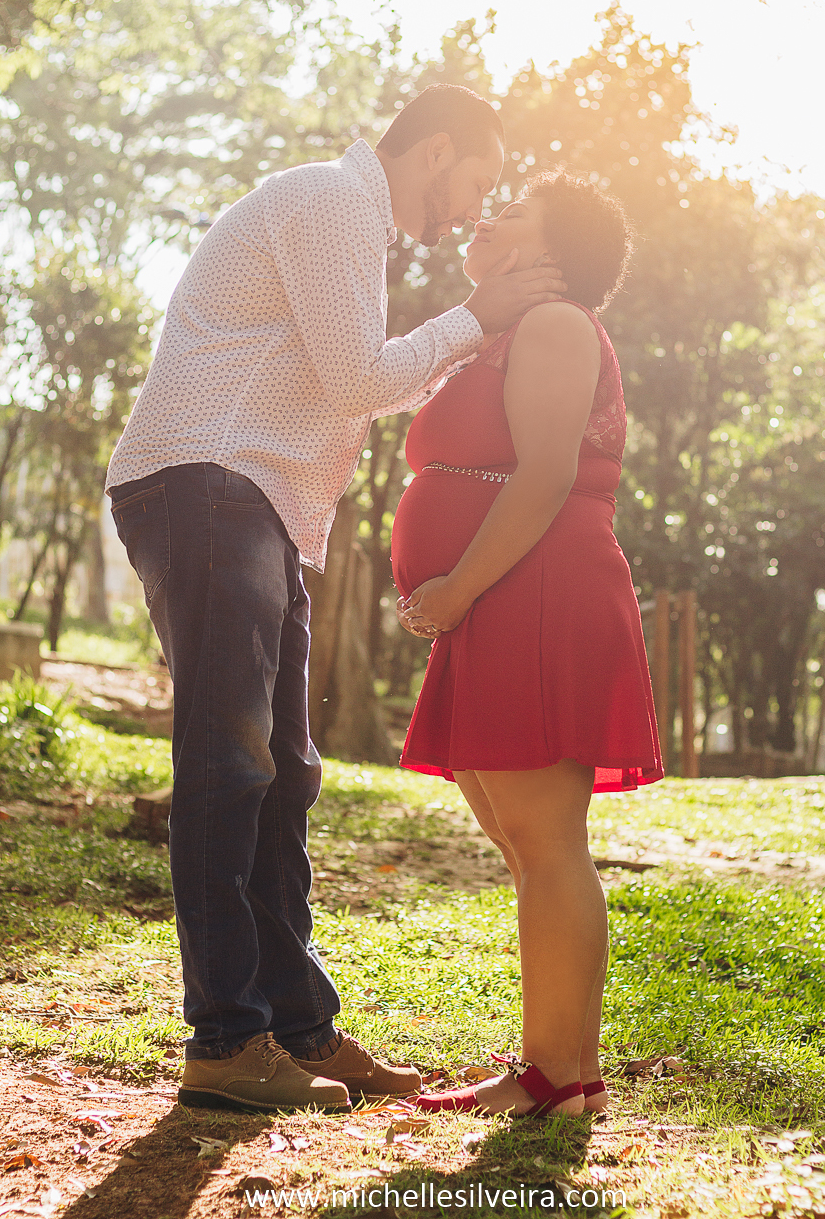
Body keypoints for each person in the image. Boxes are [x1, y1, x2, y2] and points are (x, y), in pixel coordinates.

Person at [105, 85, 568, 1114]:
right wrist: (474, 318)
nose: (474, 207)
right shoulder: (329, 202)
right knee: (229, 768)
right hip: (208, 480)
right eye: (479, 181)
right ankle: (225, 1041)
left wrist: (462, 333)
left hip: (255, 504)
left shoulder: (355, 223)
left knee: (285, 773)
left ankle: (296, 1028)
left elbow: (353, 379)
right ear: (436, 151)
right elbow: (359, 379)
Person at [391, 170, 664, 1118]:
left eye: (512, 213)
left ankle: (557, 1080)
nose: (486, 216)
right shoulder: (504, 333)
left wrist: (458, 588)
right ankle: (557, 1074)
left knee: (547, 842)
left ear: (552, 254)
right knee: (524, 840)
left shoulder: (555, 325)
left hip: (534, 586)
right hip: (501, 593)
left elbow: (547, 473)